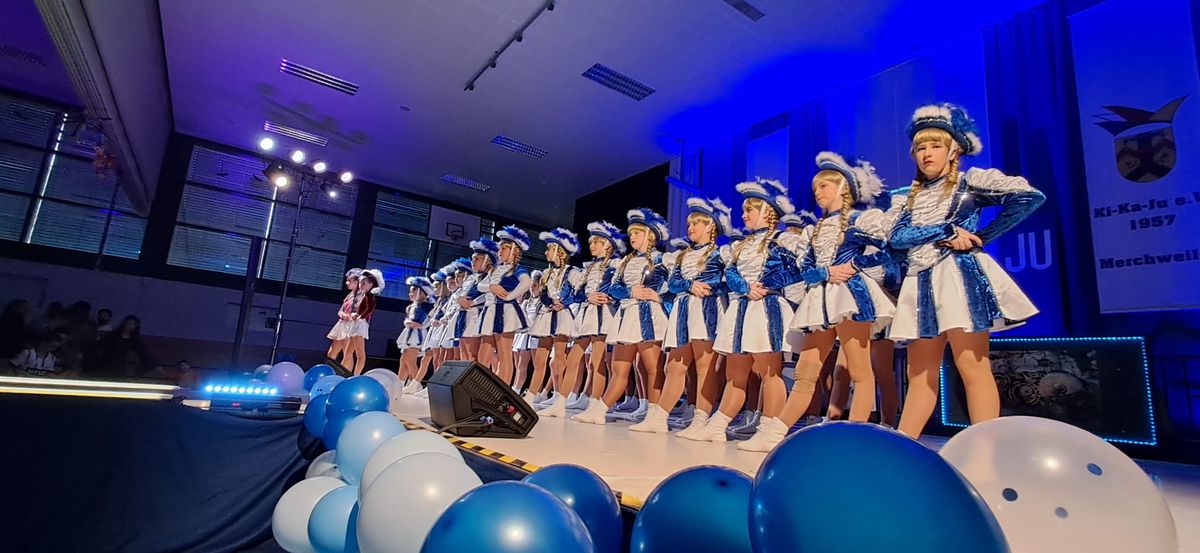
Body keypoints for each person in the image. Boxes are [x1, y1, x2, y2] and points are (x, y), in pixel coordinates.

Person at [889, 103, 1045, 438]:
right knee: (919, 374)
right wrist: (945, 231)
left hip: (958, 277)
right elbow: (897, 238)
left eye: (935, 145)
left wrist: (981, 237)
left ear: (954, 150)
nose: (926, 154)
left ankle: (984, 451)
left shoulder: (969, 184)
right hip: (920, 282)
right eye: (920, 148)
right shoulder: (909, 199)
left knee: (972, 366)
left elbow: (1029, 197)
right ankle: (902, 447)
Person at [742, 152, 893, 452]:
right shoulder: (814, 230)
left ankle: (853, 441)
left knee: (860, 372)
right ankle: (775, 434)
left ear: (843, 188)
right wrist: (825, 272)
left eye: (824, 185)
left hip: (850, 296)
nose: (817, 192)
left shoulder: (860, 221)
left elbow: (891, 249)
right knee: (805, 372)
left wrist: (856, 265)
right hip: (820, 301)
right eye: (815, 188)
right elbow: (805, 269)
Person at [681, 178, 808, 442]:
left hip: (766, 308)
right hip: (741, 308)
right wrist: (745, 287)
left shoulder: (782, 240)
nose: (744, 215)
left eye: (749, 209)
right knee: (735, 374)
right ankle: (717, 426)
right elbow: (730, 273)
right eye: (744, 210)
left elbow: (797, 270)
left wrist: (767, 285)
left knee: (768, 372)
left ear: (767, 211)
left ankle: (768, 431)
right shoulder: (740, 246)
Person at [631, 197, 732, 434]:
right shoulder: (681, 256)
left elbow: (728, 282)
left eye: (696, 223)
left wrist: (708, 287)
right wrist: (689, 285)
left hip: (706, 310)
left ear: (710, 226)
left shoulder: (720, 254)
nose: (690, 227)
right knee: (674, 366)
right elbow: (674, 283)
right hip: (683, 310)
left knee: (705, 368)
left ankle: (700, 420)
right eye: (689, 224)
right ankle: (659, 418)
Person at [572, 209, 671, 425]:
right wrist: (630, 292)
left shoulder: (662, 260)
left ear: (649, 235)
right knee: (619, 368)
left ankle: (655, 417)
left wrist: (660, 297)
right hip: (626, 315)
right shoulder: (625, 261)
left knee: (652, 368)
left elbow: (673, 287)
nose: (632, 237)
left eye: (637, 233)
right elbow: (614, 288)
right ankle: (599, 411)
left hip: (649, 317)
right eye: (631, 233)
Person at [537, 221, 624, 418]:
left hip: (603, 315)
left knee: (596, 362)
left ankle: (594, 407)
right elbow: (577, 294)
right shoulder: (588, 268)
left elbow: (621, 287)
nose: (591, 246)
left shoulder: (615, 265)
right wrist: (587, 296)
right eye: (591, 242)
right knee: (573, 359)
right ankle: (560, 403)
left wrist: (610, 297)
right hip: (586, 316)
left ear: (607, 245)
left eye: (596, 242)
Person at [528, 228, 582, 406]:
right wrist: (550, 302)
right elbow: (542, 294)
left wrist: (564, 303)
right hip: (547, 314)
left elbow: (579, 292)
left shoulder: (572, 272)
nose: (545, 253)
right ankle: (531, 395)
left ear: (559, 251)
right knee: (540, 359)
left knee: (559, 358)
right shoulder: (546, 273)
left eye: (549, 249)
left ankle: (559, 395)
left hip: (562, 316)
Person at [476, 226, 533, 386]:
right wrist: (491, 287)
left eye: (503, 248)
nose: (499, 251)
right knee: (483, 353)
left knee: (504, 354)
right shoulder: (495, 269)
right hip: (490, 310)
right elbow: (480, 286)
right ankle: (481, 387)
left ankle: (502, 392)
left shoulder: (517, 269)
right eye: (499, 248)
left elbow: (526, 283)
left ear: (513, 250)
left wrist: (509, 296)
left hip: (506, 311)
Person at [84, 315, 156, 378]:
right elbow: (97, 346)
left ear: (135, 326)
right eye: (128, 323)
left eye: (132, 324)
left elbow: (144, 353)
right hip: (105, 363)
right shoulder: (112, 335)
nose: (129, 325)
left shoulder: (135, 340)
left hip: (120, 367)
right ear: (123, 323)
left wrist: (155, 366)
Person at [397, 276, 435, 391]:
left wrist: (412, 323)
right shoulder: (412, 306)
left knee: (410, 361)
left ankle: (415, 384)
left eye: (413, 291)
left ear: (421, 292)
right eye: (410, 291)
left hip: (417, 335)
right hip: (409, 334)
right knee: (403, 360)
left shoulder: (425, 306)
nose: (410, 293)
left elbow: (423, 323)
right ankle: (400, 383)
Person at [348, 270, 384, 375]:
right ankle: (346, 373)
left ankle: (356, 375)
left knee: (360, 355)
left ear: (371, 285)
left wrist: (361, 317)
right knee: (348, 352)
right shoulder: (364, 295)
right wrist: (356, 315)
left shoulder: (370, 296)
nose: (361, 285)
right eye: (360, 283)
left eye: (363, 283)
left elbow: (370, 309)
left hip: (361, 324)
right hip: (357, 323)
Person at [327, 269, 363, 368]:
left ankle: (346, 374)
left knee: (347, 355)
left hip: (350, 327)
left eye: (349, 281)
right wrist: (342, 314)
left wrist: (351, 316)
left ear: (356, 282)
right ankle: (330, 372)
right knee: (331, 353)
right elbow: (341, 310)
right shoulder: (350, 295)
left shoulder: (362, 296)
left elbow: (360, 312)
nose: (347, 283)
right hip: (342, 325)